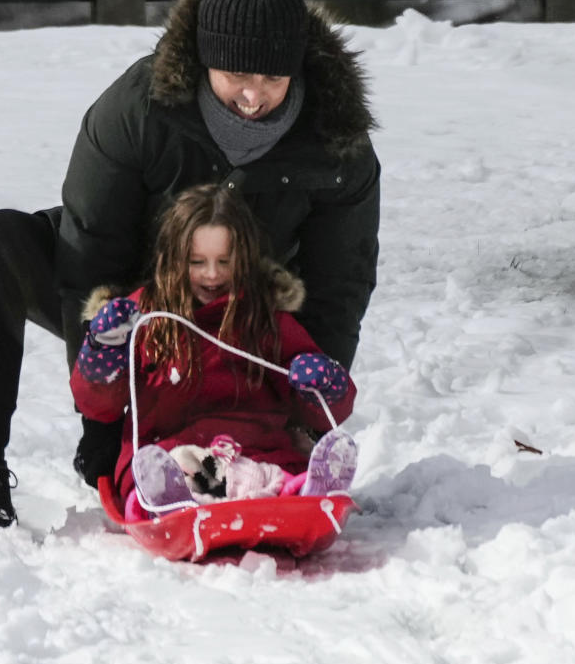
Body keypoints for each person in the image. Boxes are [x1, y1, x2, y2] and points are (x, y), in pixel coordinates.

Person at [0, 0, 379, 528]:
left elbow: (340, 281)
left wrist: (313, 409)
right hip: (128, 288)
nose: (254, 96)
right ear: (204, 63)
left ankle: (266, 470)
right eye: (236, 75)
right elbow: (91, 250)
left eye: (274, 78)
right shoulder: (138, 107)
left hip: (243, 306)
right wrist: (100, 425)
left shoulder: (336, 139)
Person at [70, 184, 359, 516]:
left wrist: (325, 387)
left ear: (245, 258)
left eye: (225, 261)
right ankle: (164, 504)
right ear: (172, 259)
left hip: (257, 451)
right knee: (169, 469)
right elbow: (98, 407)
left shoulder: (265, 318)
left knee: (271, 475)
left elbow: (325, 412)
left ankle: (306, 495)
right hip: (169, 451)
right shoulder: (145, 318)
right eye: (197, 261)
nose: (212, 274)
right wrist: (102, 355)